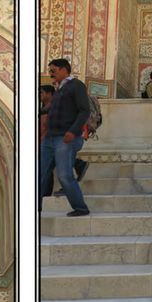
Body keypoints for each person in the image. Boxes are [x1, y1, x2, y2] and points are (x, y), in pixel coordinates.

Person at [45, 59, 92, 217]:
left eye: (54, 70)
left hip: (65, 137)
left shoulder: (76, 85)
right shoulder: (59, 88)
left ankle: (80, 208)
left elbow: (84, 111)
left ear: (64, 70)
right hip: (51, 137)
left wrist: (73, 131)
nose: (51, 73)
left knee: (64, 175)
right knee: (40, 172)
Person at [37, 84, 57, 205]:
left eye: (41, 93)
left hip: (49, 142)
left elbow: (47, 127)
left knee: (44, 171)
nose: (40, 95)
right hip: (45, 142)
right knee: (46, 171)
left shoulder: (53, 107)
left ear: (49, 94)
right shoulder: (44, 108)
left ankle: (42, 197)